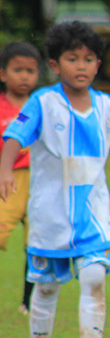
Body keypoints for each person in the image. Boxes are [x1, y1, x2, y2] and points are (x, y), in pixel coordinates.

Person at [0, 21, 110, 338]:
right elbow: (14, 137)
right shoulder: (43, 102)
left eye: (88, 59)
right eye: (72, 59)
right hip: (49, 215)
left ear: (98, 64)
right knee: (46, 287)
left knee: (95, 276)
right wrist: (5, 169)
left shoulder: (109, 107)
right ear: (55, 65)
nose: (81, 66)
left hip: (92, 212)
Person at [0, 41, 42, 316]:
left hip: (40, 181)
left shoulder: (42, 106)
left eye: (30, 70)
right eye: (18, 70)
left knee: (37, 242)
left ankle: (29, 302)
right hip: (8, 181)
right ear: (3, 74)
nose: (25, 76)